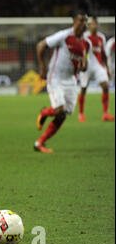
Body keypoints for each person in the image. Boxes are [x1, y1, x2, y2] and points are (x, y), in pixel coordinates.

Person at [34, 11, 89, 153]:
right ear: (74, 21)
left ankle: (39, 143)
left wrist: (83, 66)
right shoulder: (64, 36)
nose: (84, 24)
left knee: (64, 114)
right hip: (56, 78)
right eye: (81, 20)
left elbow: (84, 66)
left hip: (71, 81)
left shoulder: (85, 43)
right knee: (59, 110)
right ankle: (45, 112)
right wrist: (42, 68)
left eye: (86, 21)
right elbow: (40, 46)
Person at [77, 17, 114, 122]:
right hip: (87, 66)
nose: (94, 26)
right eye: (92, 24)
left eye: (96, 24)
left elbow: (103, 54)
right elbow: (80, 51)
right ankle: (81, 114)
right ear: (89, 26)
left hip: (98, 66)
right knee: (83, 89)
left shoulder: (101, 37)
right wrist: (80, 64)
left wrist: (107, 68)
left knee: (105, 86)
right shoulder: (84, 36)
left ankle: (105, 114)